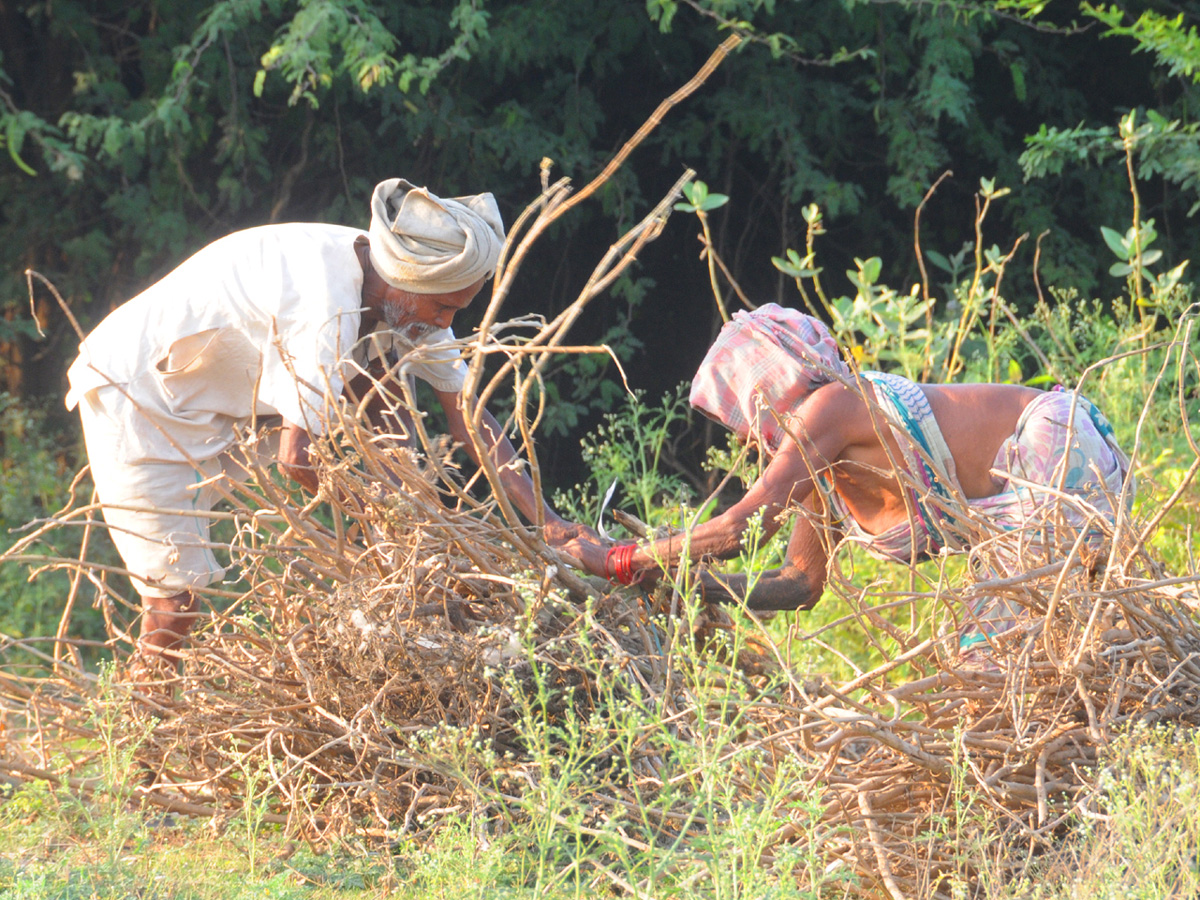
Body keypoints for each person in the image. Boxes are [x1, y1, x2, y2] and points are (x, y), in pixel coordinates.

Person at [66, 178, 585, 661]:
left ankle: (418, 572)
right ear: (406, 283)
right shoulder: (323, 310)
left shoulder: (410, 286)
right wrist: (384, 521)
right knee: (174, 603)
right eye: (444, 308)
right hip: (139, 394)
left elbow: (468, 414)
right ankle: (142, 739)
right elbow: (298, 459)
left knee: (389, 403)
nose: (447, 323)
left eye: (457, 310)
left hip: (228, 391)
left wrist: (551, 524)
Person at [564, 303, 1133, 655]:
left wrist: (620, 559)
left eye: (737, 413)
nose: (740, 437)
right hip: (1030, 481)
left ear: (764, 389)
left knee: (995, 653)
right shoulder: (820, 464)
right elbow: (798, 585)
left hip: (1052, 446)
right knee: (1005, 649)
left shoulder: (829, 410)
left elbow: (746, 527)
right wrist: (680, 583)